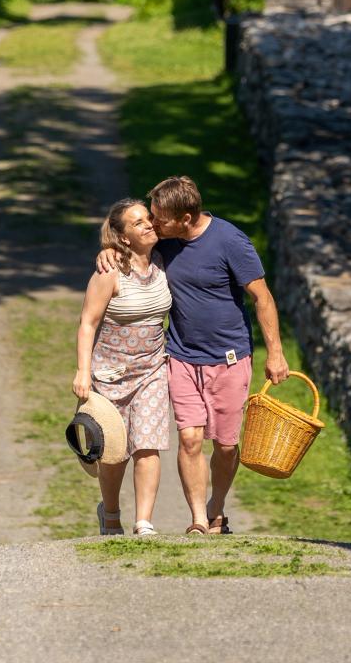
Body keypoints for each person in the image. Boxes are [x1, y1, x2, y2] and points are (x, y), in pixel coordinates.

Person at [98, 175, 286, 535]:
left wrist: (275, 353)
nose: (153, 224)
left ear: (185, 218)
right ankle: (200, 519)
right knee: (189, 438)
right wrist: (107, 249)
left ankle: (217, 507)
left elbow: (262, 298)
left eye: (160, 218)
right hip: (182, 357)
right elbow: (128, 248)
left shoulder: (230, 241)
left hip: (230, 359)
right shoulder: (164, 242)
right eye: (151, 217)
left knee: (228, 446)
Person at [74, 199, 175, 535]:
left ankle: (143, 521)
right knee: (114, 453)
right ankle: (111, 513)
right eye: (138, 222)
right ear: (123, 237)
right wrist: (82, 372)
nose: (148, 224)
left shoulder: (164, 259)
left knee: (148, 443)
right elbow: (88, 323)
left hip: (152, 370)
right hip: (110, 374)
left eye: (148, 218)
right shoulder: (109, 271)